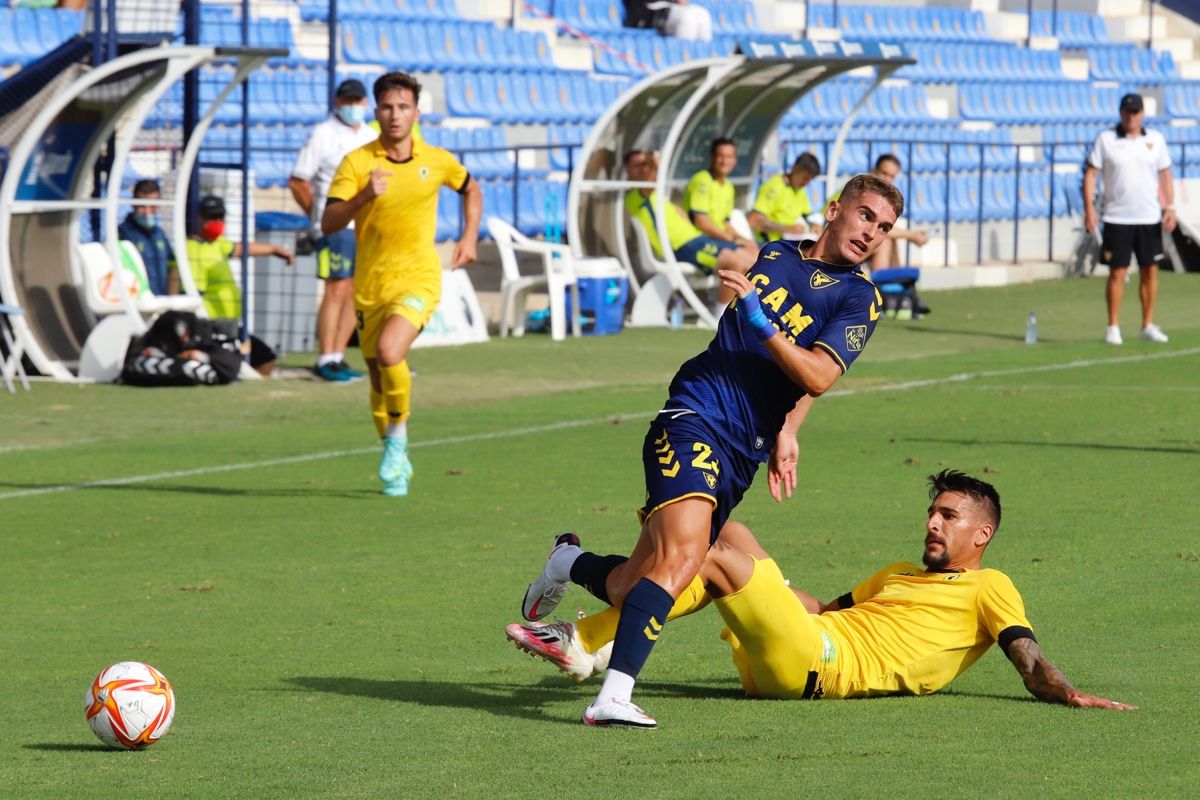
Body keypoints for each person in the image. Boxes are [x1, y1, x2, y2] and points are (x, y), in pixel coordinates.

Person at [520, 173, 901, 728]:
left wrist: (787, 428)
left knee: (635, 583)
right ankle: (613, 696)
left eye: (885, 227)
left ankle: (567, 561)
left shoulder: (859, 298)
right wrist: (759, 324)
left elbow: (817, 374)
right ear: (834, 209)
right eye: (866, 215)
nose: (872, 233)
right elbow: (776, 349)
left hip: (741, 453)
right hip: (694, 417)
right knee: (683, 560)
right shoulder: (773, 253)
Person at [507, 470, 1135, 713]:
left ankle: (582, 633)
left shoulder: (990, 586)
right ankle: (576, 598)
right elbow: (822, 609)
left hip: (814, 666)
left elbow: (1025, 657)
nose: (933, 523)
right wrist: (771, 585)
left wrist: (1065, 690)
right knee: (722, 532)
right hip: (797, 642)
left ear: (983, 532)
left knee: (708, 550)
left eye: (949, 516)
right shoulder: (898, 573)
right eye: (933, 513)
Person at [322, 72, 482, 497]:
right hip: (371, 284)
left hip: (419, 277)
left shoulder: (436, 159)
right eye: (388, 108)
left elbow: (471, 188)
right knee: (377, 374)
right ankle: (394, 445)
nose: (396, 115)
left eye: (404, 107)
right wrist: (362, 198)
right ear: (376, 112)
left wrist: (468, 237)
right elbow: (328, 221)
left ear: (416, 111)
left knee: (393, 351)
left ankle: (397, 441)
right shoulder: (358, 162)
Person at [289, 79, 378, 383]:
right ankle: (325, 355)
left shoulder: (370, 135)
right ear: (338, 102)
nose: (353, 106)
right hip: (337, 225)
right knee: (336, 288)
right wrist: (321, 216)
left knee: (356, 290)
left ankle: (338, 354)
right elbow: (299, 180)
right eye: (348, 100)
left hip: (364, 224)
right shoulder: (323, 134)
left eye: (357, 100)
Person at [1084, 92, 1175, 345]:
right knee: (1117, 272)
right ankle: (1113, 326)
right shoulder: (1106, 140)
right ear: (1121, 113)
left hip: (1148, 216)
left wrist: (1171, 207)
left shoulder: (1156, 140)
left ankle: (1147, 324)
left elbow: (1165, 175)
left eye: (1135, 112)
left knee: (1150, 271)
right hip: (1117, 216)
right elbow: (1091, 174)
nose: (1131, 116)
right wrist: (1090, 209)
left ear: (1142, 114)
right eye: (1127, 112)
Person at [624, 149, 757, 305]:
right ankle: (721, 318)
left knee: (754, 259)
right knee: (734, 264)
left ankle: (754, 311)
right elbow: (656, 180)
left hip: (697, 240)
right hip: (681, 247)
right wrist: (656, 161)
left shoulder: (654, 195)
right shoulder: (636, 195)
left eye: (646, 164)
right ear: (627, 170)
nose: (643, 169)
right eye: (637, 165)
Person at [181, 195, 294, 376]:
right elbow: (195, 296)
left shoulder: (218, 244)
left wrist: (274, 249)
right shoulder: (192, 249)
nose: (217, 222)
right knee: (237, 365)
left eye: (220, 218)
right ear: (199, 218)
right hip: (212, 326)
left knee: (266, 360)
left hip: (231, 324)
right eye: (212, 218)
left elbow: (241, 248)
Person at [682, 137, 753, 246]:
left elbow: (726, 224)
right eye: (721, 156)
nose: (725, 161)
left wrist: (746, 241)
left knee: (761, 250)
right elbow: (702, 223)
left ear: (734, 160)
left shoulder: (728, 186)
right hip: (701, 241)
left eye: (729, 157)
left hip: (719, 239)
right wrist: (733, 241)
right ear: (712, 157)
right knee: (750, 257)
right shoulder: (702, 180)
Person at [118, 179, 176, 297]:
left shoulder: (160, 234)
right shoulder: (123, 234)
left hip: (161, 301)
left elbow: (173, 266)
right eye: (142, 206)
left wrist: (171, 298)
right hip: (136, 303)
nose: (148, 212)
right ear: (133, 204)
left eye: (153, 206)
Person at [747, 153, 821, 244]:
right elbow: (754, 220)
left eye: (809, 180)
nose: (805, 183)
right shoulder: (774, 186)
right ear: (795, 168)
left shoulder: (800, 190)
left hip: (791, 244)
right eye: (804, 179)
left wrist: (815, 225)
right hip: (770, 246)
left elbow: (807, 215)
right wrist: (787, 229)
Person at [623, 0, 712, 42]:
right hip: (649, 12)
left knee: (703, 15)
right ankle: (683, 60)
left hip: (673, 7)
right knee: (686, 17)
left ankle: (703, 63)